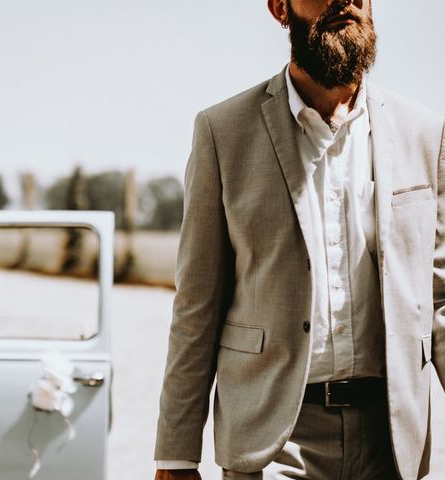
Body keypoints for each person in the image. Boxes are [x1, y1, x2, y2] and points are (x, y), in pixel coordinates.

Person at [154, 0, 445, 478]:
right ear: (279, 8)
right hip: (272, 442)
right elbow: (196, 306)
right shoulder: (222, 132)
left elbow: (438, 300)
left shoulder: (425, 133)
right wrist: (176, 454)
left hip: (391, 440)